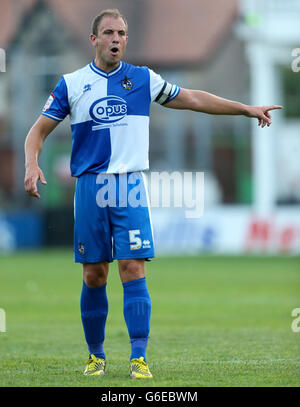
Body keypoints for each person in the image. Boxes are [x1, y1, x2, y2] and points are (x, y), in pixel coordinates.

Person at [24, 8, 282, 379]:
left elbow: (191, 98)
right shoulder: (71, 83)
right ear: (94, 39)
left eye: (123, 33)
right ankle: (96, 356)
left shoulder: (143, 79)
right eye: (109, 32)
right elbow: (37, 130)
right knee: (95, 274)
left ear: (127, 39)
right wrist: (32, 164)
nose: (117, 39)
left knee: (133, 268)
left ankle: (138, 357)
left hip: (128, 186)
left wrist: (244, 109)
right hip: (91, 186)